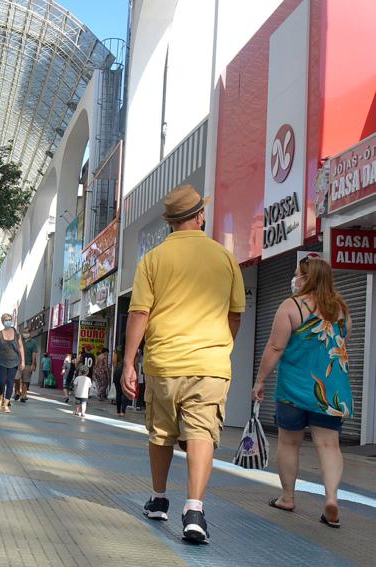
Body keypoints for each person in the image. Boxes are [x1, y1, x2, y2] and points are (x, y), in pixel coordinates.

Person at [121, 184, 245, 544]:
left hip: (163, 363)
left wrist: (129, 362)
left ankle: (159, 499)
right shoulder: (224, 257)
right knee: (202, 433)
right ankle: (194, 510)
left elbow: (140, 312)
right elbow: (235, 314)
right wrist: (220, 347)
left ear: (170, 222)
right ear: (200, 215)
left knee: (160, 432)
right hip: (210, 364)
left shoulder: (154, 259)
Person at [252, 256, 351, 528]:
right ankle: (331, 498)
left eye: (298, 274)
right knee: (329, 445)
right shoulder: (341, 309)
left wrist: (260, 380)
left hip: (294, 388)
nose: (294, 278)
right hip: (331, 392)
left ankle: (287, 497)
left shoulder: (291, 306)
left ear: (307, 278)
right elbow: (342, 341)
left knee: (289, 442)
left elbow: (275, 347)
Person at [0, 313, 25, 414]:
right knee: (1, 382)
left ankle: (6, 404)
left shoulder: (17, 334)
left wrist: (22, 361)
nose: (8, 321)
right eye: (6, 320)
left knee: (10, 382)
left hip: (14, 362)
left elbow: (21, 348)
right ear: (3, 322)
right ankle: (1, 397)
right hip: (1, 361)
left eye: (10, 319)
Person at [16, 328, 38, 402]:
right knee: (16, 378)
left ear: (30, 333)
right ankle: (17, 392)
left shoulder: (33, 342)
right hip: (18, 363)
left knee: (25, 381)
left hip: (28, 364)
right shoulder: (19, 340)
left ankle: (23, 395)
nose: (25, 334)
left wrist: (33, 364)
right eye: (24, 332)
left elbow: (34, 354)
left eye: (26, 332)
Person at [113, 348, 128, 417]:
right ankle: (123, 411)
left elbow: (114, 361)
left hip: (118, 371)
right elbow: (135, 362)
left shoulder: (117, 349)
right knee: (125, 392)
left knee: (118, 392)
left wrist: (116, 369)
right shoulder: (131, 348)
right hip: (127, 371)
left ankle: (118, 411)